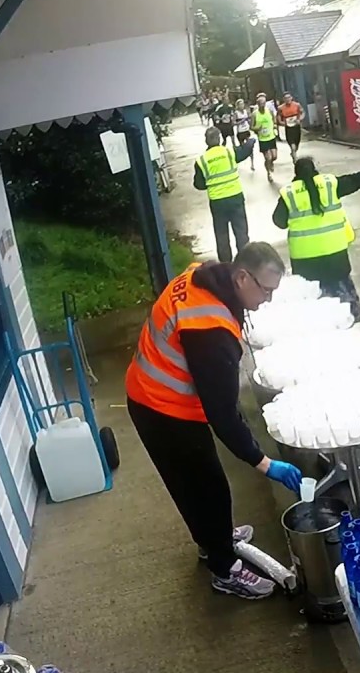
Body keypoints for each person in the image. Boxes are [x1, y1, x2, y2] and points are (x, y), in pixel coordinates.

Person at [125, 243, 304, 600]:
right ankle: (225, 570)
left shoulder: (206, 274)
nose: (267, 300)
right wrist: (264, 462)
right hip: (163, 408)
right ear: (241, 276)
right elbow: (222, 415)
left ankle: (214, 540)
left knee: (193, 486)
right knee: (208, 488)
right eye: (265, 290)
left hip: (150, 391)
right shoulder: (210, 330)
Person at [271, 156, 360, 322]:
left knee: (315, 313)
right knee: (345, 310)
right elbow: (357, 180)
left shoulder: (289, 194)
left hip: (305, 264)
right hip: (336, 259)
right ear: (315, 170)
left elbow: (279, 221)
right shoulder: (329, 184)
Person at [193, 126, 248, 263]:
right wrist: (250, 143)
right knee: (241, 232)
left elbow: (199, 184)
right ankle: (245, 262)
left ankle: (225, 265)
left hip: (217, 202)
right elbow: (243, 153)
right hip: (235, 197)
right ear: (219, 138)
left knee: (222, 235)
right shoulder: (229, 152)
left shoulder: (201, 160)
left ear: (206, 141)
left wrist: (211, 181)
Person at [253, 92, 280, 182]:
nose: (262, 105)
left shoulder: (269, 110)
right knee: (268, 157)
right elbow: (251, 126)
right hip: (262, 139)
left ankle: (270, 163)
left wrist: (275, 125)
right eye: (260, 104)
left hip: (271, 136)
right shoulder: (254, 114)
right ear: (258, 105)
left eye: (264, 104)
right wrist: (257, 128)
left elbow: (274, 119)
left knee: (274, 156)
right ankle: (268, 173)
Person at [278, 92, 304, 161]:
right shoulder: (281, 108)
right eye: (286, 98)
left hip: (296, 127)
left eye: (289, 97)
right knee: (292, 145)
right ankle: (295, 159)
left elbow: (302, 113)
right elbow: (278, 118)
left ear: (291, 98)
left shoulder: (297, 105)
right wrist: (283, 123)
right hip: (288, 128)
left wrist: (300, 119)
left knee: (296, 144)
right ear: (283, 99)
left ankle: (293, 152)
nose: (288, 99)